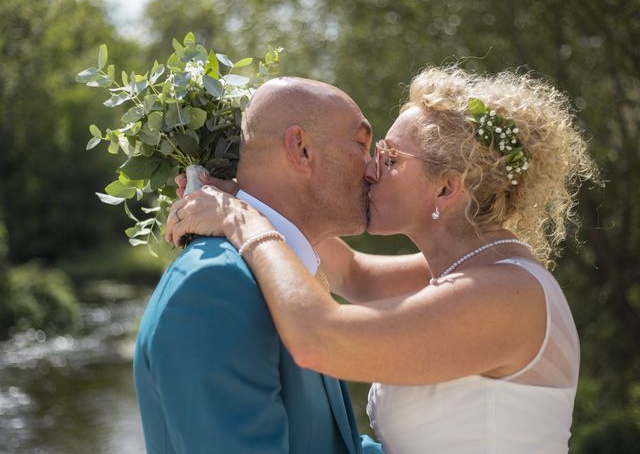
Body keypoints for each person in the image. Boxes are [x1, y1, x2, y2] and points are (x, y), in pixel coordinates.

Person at [166, 66, 598, 453]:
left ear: (446, 190)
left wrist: (245, 225)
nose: (371, 169)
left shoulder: (506, 296)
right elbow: (354, 275)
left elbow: (320, 339)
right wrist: (244, 195)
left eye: (390, 158)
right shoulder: (463, 269)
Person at [134, 78, 396, 453]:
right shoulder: (213, 285)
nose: (373, 170)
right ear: (301, 148)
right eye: (361, 144)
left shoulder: (290, 272)